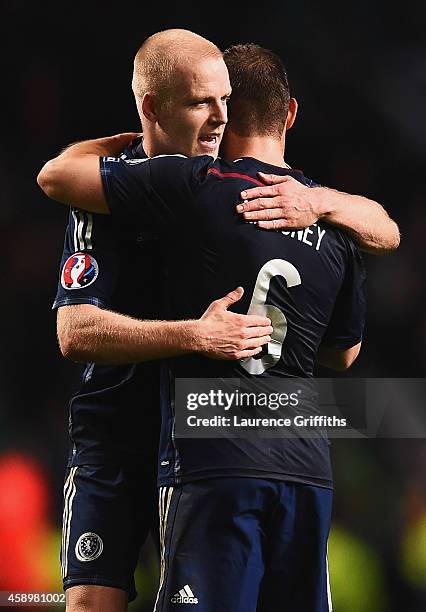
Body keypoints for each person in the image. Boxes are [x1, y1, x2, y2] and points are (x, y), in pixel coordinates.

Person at [39, 30, 399, 612]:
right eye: (201, 102)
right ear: (153, 108)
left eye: (226, 102)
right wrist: (193, 334)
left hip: (199, 436)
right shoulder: (112, 192)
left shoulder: (231, 190)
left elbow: (384, 228)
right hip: (118, 436)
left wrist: (323, 201)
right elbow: (74, 331)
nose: (219, 119)